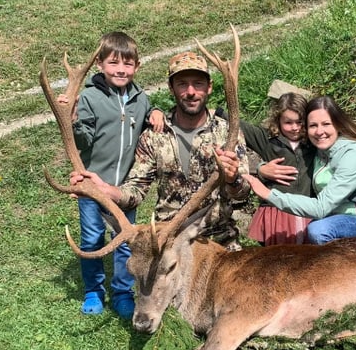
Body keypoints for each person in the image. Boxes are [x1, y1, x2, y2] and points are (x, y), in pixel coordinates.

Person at [73, 50, 251, 252]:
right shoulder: (154, 136)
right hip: (169, 242)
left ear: (209, 87)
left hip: (219, 242)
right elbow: (135, 192)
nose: (190, 91)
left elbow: (243, 193)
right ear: (171, 88)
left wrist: (233, 178)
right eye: (182, 84)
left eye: (198, 83)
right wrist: (106, 190)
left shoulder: (228, 132)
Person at [64, 31, 165, 319]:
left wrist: (156, 110)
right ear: (99, 64)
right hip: (92, 186)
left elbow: (148, 115)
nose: (121, 69)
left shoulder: (140, 98)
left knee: (124, 242)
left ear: (137, 66)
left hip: (123, 188)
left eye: (128, 64)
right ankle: (93, 291)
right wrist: (72, 122)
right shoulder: (90, 98)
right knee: (92, 239)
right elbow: (83, 140)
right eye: (113, 63)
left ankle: (122, 292)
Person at [244, 96, 356, 244]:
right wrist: (261, 168)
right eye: (313, 125)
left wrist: (268, 194)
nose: (319, 131)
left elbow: (322, 207)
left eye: (326, 124)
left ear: (338, 124)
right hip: (336, 218)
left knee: (319, 230)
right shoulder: (320, 151)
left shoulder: (354, 154)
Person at [241, 92, 316, 245]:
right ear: (278, 121)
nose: (295, 128)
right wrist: (260, 169)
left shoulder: (314, 142)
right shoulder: (267, 140)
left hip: (306, 210)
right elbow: (236, 123)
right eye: (288, 122)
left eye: (300, 122)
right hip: (275, 212)